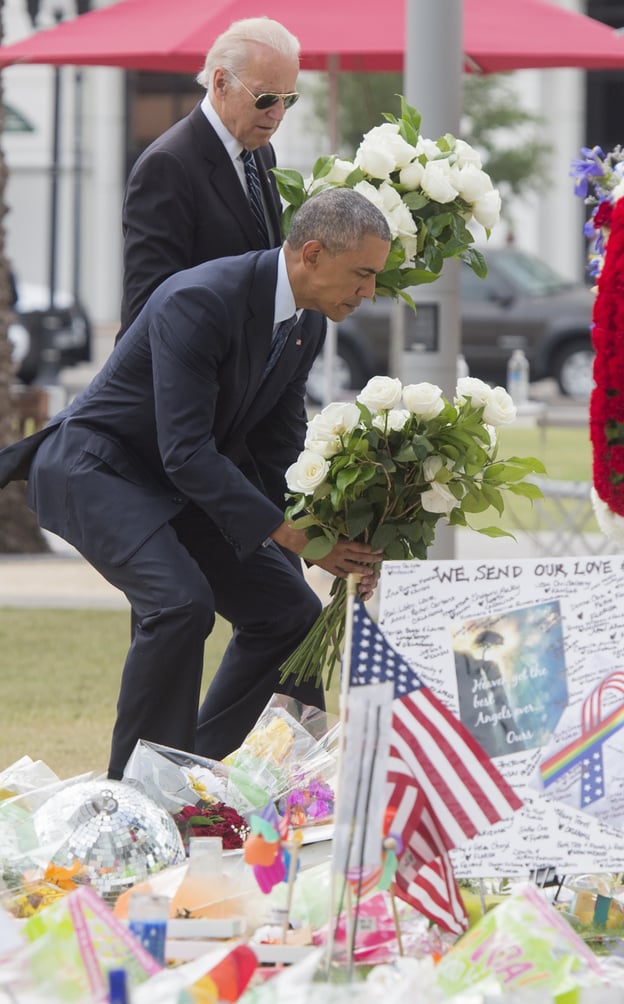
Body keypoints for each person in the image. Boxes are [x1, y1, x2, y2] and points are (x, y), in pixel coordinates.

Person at [0, 188, 391, 779]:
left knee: (291, 614)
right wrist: (293, 539)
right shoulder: (200, 299)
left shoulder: (308, 322)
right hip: (96, 468)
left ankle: (198, 776)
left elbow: (279, 446)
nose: (370, 292)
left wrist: (330, 533)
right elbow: (185, 450)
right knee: (180, 604)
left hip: (180, 482)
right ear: (312, 254)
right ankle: (135, 799)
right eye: (362, 275)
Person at [118, 16, 300, 338]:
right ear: (220, 84)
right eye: (266, 98)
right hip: (180, 377)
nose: (278, 114)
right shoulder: (167, 165)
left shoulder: (260, 151)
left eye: (289, 99)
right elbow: (150, 305)